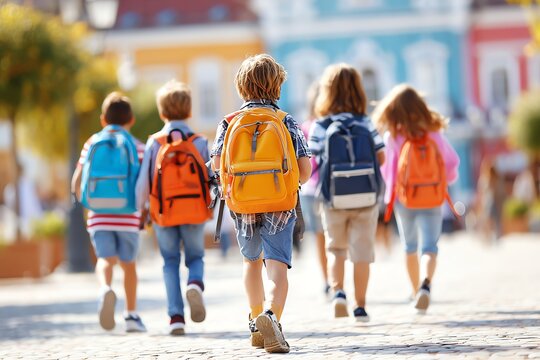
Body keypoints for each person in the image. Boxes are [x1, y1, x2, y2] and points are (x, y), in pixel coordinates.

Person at [211, 54, 311, 353]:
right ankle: (272, 316)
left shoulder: (228, 122)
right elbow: (304, 171)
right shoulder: (285, 121)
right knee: (276, 265)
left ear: (242, 87)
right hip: (280, 199)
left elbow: (217, 164)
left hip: (242, 201)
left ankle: (255, 320)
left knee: (251, 262)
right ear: (277, 84)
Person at [372, 84, 460, 313]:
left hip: (404, 198)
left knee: (409, 246)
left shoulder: (393, 135)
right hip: (432, 195)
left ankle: (414, 292)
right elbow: (451, 164)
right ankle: (426, 285)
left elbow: (388, 171)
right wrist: (442, 181)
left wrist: (389, 196)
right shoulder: (433, 131)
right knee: (430, 246)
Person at [308, 63, 385, 322]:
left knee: (336, 250)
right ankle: (360, 306)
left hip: (333, 197)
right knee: (362, 253)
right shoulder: (366, 122)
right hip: (366, 196)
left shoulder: (321, 125)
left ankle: (338, 292)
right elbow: (381, 157)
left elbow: (313, 161)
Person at [136, 80, 211, 336]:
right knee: (195, 257)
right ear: (189, 110)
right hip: (193, 210)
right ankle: (195, 284)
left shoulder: (155, 142)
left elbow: (144, 183)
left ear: (162, 111)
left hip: (163, 212)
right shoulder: (200, 141)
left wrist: (141, 210)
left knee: (169, 261)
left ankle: (176, 317)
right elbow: (210, 176)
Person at [71, 92, 147, 332]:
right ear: (131, 119)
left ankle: (105, 288)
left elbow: (77, 180)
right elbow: (144, 185)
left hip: (98, 215)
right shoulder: (137, 146)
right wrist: (145, 210)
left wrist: (84, 202)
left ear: (103, 119)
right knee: (129, 264)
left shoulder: (92, 142)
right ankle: (132, 316)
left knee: (105, 259)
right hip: (128, 216)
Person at [299, 82, 330, 297]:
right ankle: (335, 279)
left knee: (319, 236)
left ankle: (327, 279)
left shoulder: (304, 127)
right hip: (330, 187)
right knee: (334, 236)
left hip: (309, 189)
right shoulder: (329, 125)